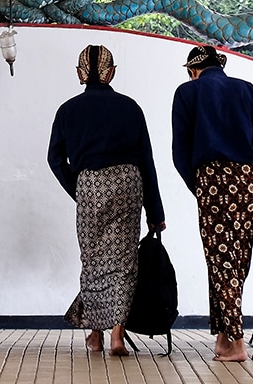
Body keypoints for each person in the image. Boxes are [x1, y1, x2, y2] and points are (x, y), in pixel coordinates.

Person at [171, 44, 253, 362]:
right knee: (236, 259)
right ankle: (223, 337)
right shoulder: (246, 90)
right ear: (219, 66)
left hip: (212, 180)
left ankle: (236, 343)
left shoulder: (187, 93)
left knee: (218, 258)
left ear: (193, 70)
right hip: (250, 181)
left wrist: (199, 186)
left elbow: (180, 152)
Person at [48, 44, 166, 357]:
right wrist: (156, 211)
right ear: (111, 73)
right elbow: (146, 161)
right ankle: (117, 336)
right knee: (124, 261)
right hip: (128, 183)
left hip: (90, 185)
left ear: (80, 74)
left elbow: (55, 158)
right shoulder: (130, 108)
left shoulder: (67, 110)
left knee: (92, 260)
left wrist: (80, 189)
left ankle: (95, 335)